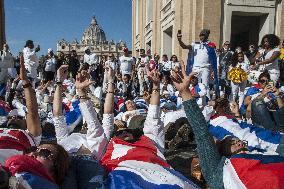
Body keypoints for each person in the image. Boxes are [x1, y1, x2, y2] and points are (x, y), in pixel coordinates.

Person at [170, 60, 284, 189]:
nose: (236, 142)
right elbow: (202, 134)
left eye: (234, 141)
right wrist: (185, 92)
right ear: (223, 155)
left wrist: (236, 115)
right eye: (231, 143)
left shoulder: (266, 152)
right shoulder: (221, 173)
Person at [101, 68, 199, 188]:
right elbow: (107, 116)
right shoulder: (111, 138)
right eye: (128, 103)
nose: (131, 104)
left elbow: (153, 115)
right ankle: (170, 136)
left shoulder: (149, 140)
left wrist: (156, 85)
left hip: (164, 178)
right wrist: (110, 82)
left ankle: (170, 134)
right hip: (125, 178)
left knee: (171, 120)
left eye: (132, 102)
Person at [177, 29, 218, 98]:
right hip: (195, 68)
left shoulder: (211, 46)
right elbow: (184, 47)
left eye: (203, 35)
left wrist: (213, 70)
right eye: (201, 35)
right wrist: (179, 40)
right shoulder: (195, 44)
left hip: (206, 68)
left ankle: (205, 102)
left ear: (207, 36)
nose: (202, 37)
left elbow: (213, 60)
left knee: (205, 86)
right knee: (192, 84)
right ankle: (191, 98)